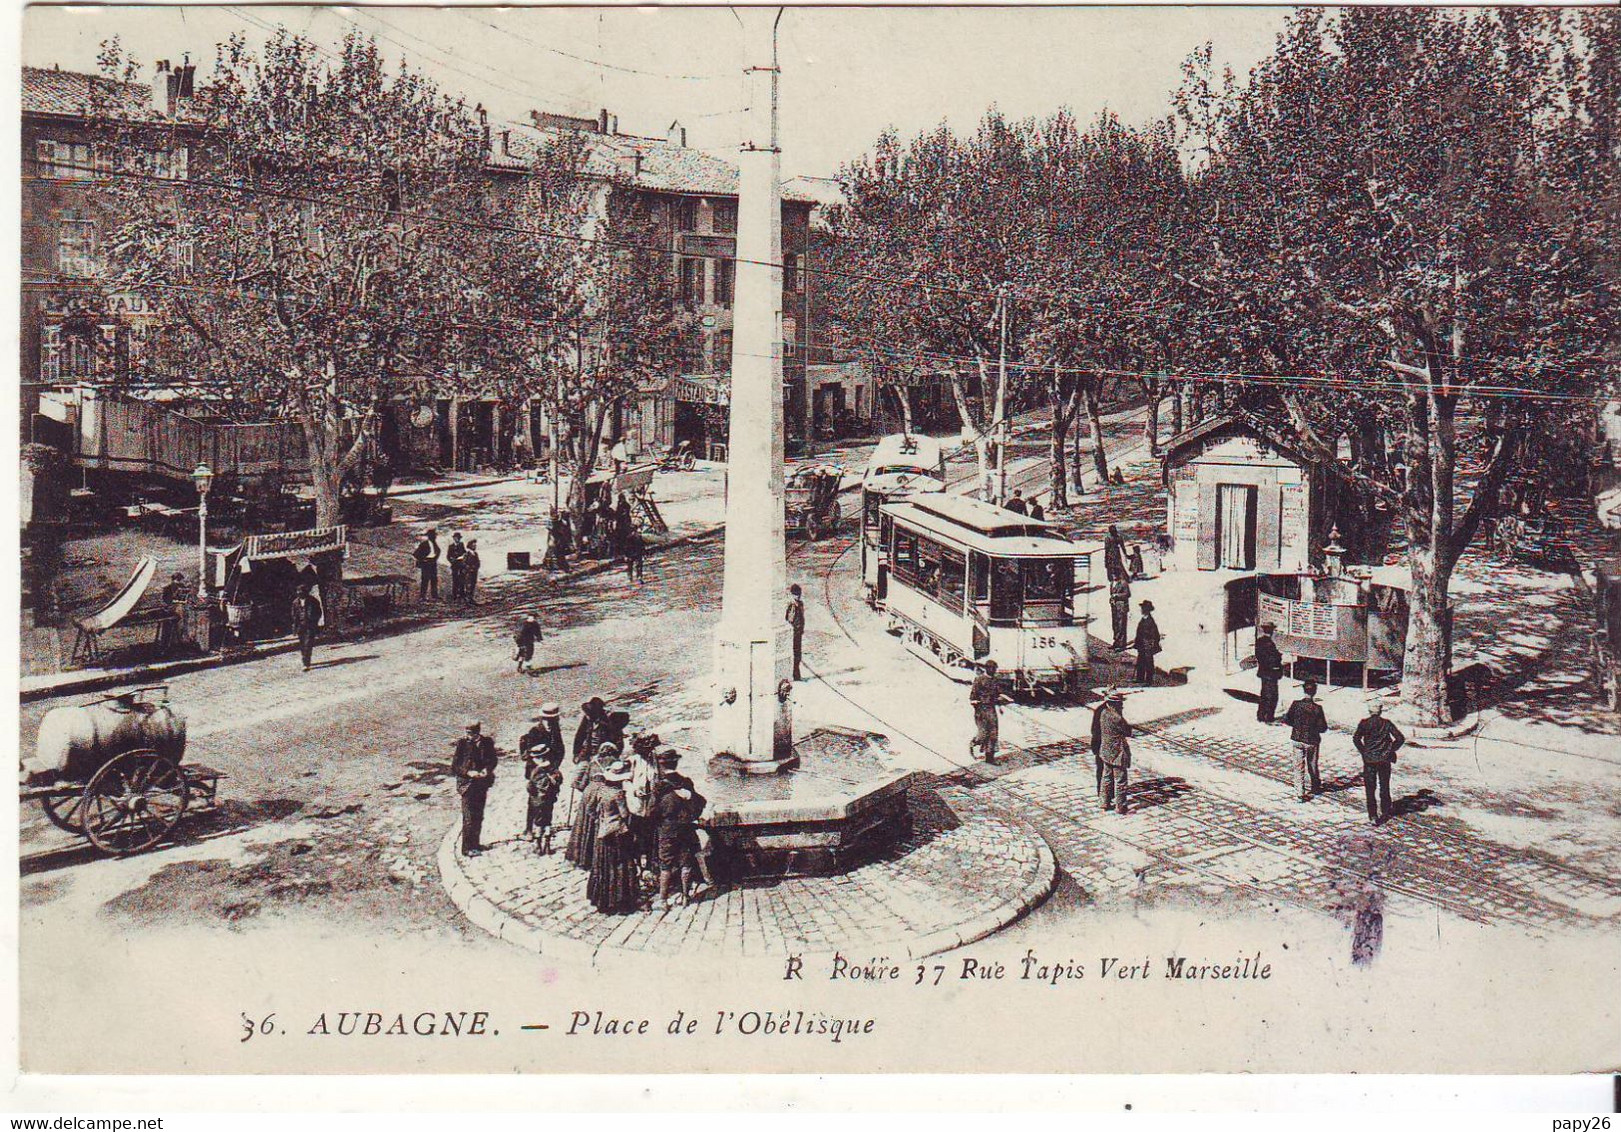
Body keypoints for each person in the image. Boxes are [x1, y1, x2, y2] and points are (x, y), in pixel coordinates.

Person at [650, 749, 710, 908]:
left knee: (666, 863)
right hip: (686, 828)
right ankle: (685, 896)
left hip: (667, 830)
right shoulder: (686, 782)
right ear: (676, 763)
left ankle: (662, 900)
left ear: (662, 766)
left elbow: (651, 811)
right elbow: (700, 803)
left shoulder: (659, 786)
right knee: (686, 861)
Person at [586, 760, 642, 914]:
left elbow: (590, 809)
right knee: (620, 864)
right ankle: (619, 900)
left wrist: (600, 819)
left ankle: (602, 900)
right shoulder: (618, 794)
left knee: (603, 865)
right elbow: (624, 814)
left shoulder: (601, 790)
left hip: (602, 832)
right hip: (617, 832)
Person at [520, 706, 566, 853]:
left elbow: (560, 749)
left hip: (550, 768)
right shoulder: (535, 732)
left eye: (554, 719)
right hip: (535, 770)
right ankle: (529, 829)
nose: (552, 722)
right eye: (549, 719)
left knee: (548, 801)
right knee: (533, 800)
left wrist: (554, 766)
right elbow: (530, 754)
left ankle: (543, 829)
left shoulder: (555, 731)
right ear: (543, 719)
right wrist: (540, 767)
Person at [1353, 700, 1405, 826]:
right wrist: (1389, 750)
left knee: (1370, 788)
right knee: (1384, 786)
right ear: (1381, 710)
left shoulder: (1364, 723)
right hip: (1384, 760)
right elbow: (1400, 738)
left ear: (1370, 711)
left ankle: (1373, 816)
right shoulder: (1386, 723)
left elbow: (1356, 738)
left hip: (1369, 760)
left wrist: (1364, 751)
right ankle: (1386, 811)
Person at [452, 719, 498, 857]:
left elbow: (493, 760)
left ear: (477, 732)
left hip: (481, 785)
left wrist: (487, 770)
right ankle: (466, 848)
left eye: (470, 733)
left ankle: (475, 844)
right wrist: (468, 772)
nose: (468, 736)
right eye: (466, 733)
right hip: (467, 786)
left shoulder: (487, 742)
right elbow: (455, 766)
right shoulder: (462, 744)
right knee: (469, 818)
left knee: (479, 816)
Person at [1282, 680, 1329, 802]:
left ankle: (1300, 793)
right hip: (1311, 741)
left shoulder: (1296, 704)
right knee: (1312, 764)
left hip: (1297, 739)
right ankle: (1315, 786)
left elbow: (1287, 720)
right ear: (1314, 692)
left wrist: (1297, 725)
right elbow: (1323, 728)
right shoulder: (1317, 708)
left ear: (1304, 690)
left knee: (1298, 766)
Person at [1096, 688, 1132, 815]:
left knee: (1106, 777)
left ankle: (1103, 803)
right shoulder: (1117, 718)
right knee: (1120, 780)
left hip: (1106, 751)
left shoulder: (1103, 713)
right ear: (1117, 704)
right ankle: (1120, 806)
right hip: (1118, 754)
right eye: (1120, 703)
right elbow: (1128, 731)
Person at [969, 659, 1006, 765]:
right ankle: (974, 742)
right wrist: (977, 705)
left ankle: (989, 758)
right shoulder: (979, 679)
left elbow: (997, 694)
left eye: (995, 669)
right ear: (987, 668)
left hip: (991, 709)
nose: (995, 671)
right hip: (981, 710)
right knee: (983, 734)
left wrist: (1000, 706)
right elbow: (972, 696)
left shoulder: (995, 680)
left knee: (993, 733)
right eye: (993, 669)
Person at [1255, 623, 1286, 723]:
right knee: (1272, 696)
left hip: (1263, 672)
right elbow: (1272, 659)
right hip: (1271, 673)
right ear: (1272, 631)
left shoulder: (1259, 641)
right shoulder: (1269, 644)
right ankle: (1269, 716)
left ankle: (1261, 715)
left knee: (1264, 694)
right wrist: (1278, 658)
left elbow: (1259, 656)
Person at [290, 584, 323, 672]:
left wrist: (314, 621)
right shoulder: (295, 602)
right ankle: (305, 659)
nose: (300, 594)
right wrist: (295, 625)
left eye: (302, 592)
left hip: (310, 626)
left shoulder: (313, 601)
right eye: (298, 592)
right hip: (300, 626)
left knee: (308, 643)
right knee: (302, 644)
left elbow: (318, 612)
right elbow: (293, 614)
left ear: (306, 592)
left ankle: (306, 663)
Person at [1132, 599, 1162, 686]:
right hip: (1141, 644)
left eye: (1143, 608)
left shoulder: (1150, 621)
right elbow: (1139, 633)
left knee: (1149, 663)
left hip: (1148, 645)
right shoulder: (1143, 619)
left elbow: (1155, 635)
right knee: (1140, 661)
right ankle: (1140, 678)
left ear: (1147, 610)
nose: (1141, 610)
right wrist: (1137, 642)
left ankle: (1149, 680)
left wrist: (1151, 644)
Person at [573, 697, 610, 763]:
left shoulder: (606, 722)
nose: (587, 715)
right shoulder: (587, 719)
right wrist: (576, 753)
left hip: (601, 755)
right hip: (587, 752)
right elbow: (580, 735)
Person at [160, 572, 188, 649]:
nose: (179, 583)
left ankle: (179, 642)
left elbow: (185, 597)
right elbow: (165, 600)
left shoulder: (182, 586)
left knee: (181, 627)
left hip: (180, 608)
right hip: (171, 609)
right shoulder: (167, 588)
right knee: (169, 628)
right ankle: (169, 644)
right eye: (178, 580)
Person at [786, 584, 807, 680]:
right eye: (796, 595)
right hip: (793, 633)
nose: (798, 596)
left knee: (798, 654)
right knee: (794, 653)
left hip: (798, 632)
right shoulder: (792, 605)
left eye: (798, 594)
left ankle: (796, 674)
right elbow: (789, 619)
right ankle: (795, 675)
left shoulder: (800, 604)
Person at [414, 528, 441, 601]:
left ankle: (434, 595)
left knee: (434, 579)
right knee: (425, 579)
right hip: (426, 564)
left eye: (435, 536)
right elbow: (415, 554)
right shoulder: (424, 544)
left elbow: (438, 551)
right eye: (433, 536)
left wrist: (435, 558)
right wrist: (423, 559)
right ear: (429, 536)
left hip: (433, 563)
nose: (434, 537)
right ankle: (422, 596)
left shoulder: (434, 543)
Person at [1109, 576, 1132, 652]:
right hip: (1114, 607)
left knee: (1121, 625)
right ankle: (1116, 642)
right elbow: (1111, 594)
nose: (1113, 576)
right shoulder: (1112, 583)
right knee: (1115, 624)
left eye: (1114, 574)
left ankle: (1122, 644)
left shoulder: (1123, 583)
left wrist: (1117, 596)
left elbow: (1127, 594)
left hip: (1122, 607)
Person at [446, 533, 467, 601]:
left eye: (458, 538)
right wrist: (452, 561)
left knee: (462, 579)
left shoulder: (461, 545)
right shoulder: (451, 546)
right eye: (455, 537)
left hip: (461, 564)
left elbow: (465, 553)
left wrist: (463, 559)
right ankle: (454, 594)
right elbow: (448, 556)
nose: (457, 539)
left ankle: (462, 593)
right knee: (455, 579)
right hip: (454, 565)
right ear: (454, 538)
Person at [463, 539, 482, 604]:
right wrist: (469, 568)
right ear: (470, 546)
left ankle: (471, 598)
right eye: (473, 545)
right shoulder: (467, 554)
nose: (475, 546)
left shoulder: (475, 553)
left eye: (475, 545)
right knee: (468, 585)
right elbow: (464, 563)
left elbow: (478, 562)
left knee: (473, 584)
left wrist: (476, 567)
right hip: (469, 572)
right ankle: (467, 599)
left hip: (474, 572)